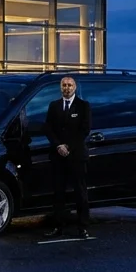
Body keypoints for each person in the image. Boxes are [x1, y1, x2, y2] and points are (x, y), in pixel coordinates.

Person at [44, 76, 92, 238]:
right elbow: (48, 128)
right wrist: (58, 145)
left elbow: (84, 130)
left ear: (75, 87)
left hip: (76, 155)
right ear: (60, 87)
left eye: (70, 85)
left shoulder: (83, 106)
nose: (67, 88)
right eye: (64, 85)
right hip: (58, 156)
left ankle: (82, 227)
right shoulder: (54, 106)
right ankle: (58, 226)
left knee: (80, 192)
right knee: (58, 193)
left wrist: (68, 146)